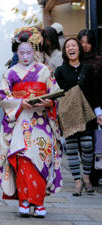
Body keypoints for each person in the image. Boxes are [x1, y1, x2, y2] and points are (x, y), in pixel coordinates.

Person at [0, 27, 62, 218]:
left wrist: (50, 102)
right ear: (16, 52)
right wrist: (19, 102)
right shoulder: (10, 73)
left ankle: (39, 202)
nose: (25, 56)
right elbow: (3, 95)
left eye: (29, 52)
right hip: (20, 121)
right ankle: (24, 200)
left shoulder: (45, 71)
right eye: (21, 52)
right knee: (23, 159)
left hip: (41, 120)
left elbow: (55, 94)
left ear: (36, 51)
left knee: (42, 156)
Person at [55, 38, 97, 196]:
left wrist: (98, 112)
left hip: (86, 114)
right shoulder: (60, 70)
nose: (71, 48)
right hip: (68, 114)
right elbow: (56, 92)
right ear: (65, 51)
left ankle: (86, 176)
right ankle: (78, 181)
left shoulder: (88, 69)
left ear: (79, 49)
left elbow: (95, 91)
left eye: (73, 45)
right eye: (68, 46)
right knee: (71, 149)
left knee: (87, 146)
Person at [77, 29, 102, 186]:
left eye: (87, 42)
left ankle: (96, 173)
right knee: (83, 143)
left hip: (96, 107)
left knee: (96, 141)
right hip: (79, 107)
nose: (84, 45)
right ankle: (89, 172)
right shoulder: (73, 61)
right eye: (81, 42)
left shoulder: (98, 62)